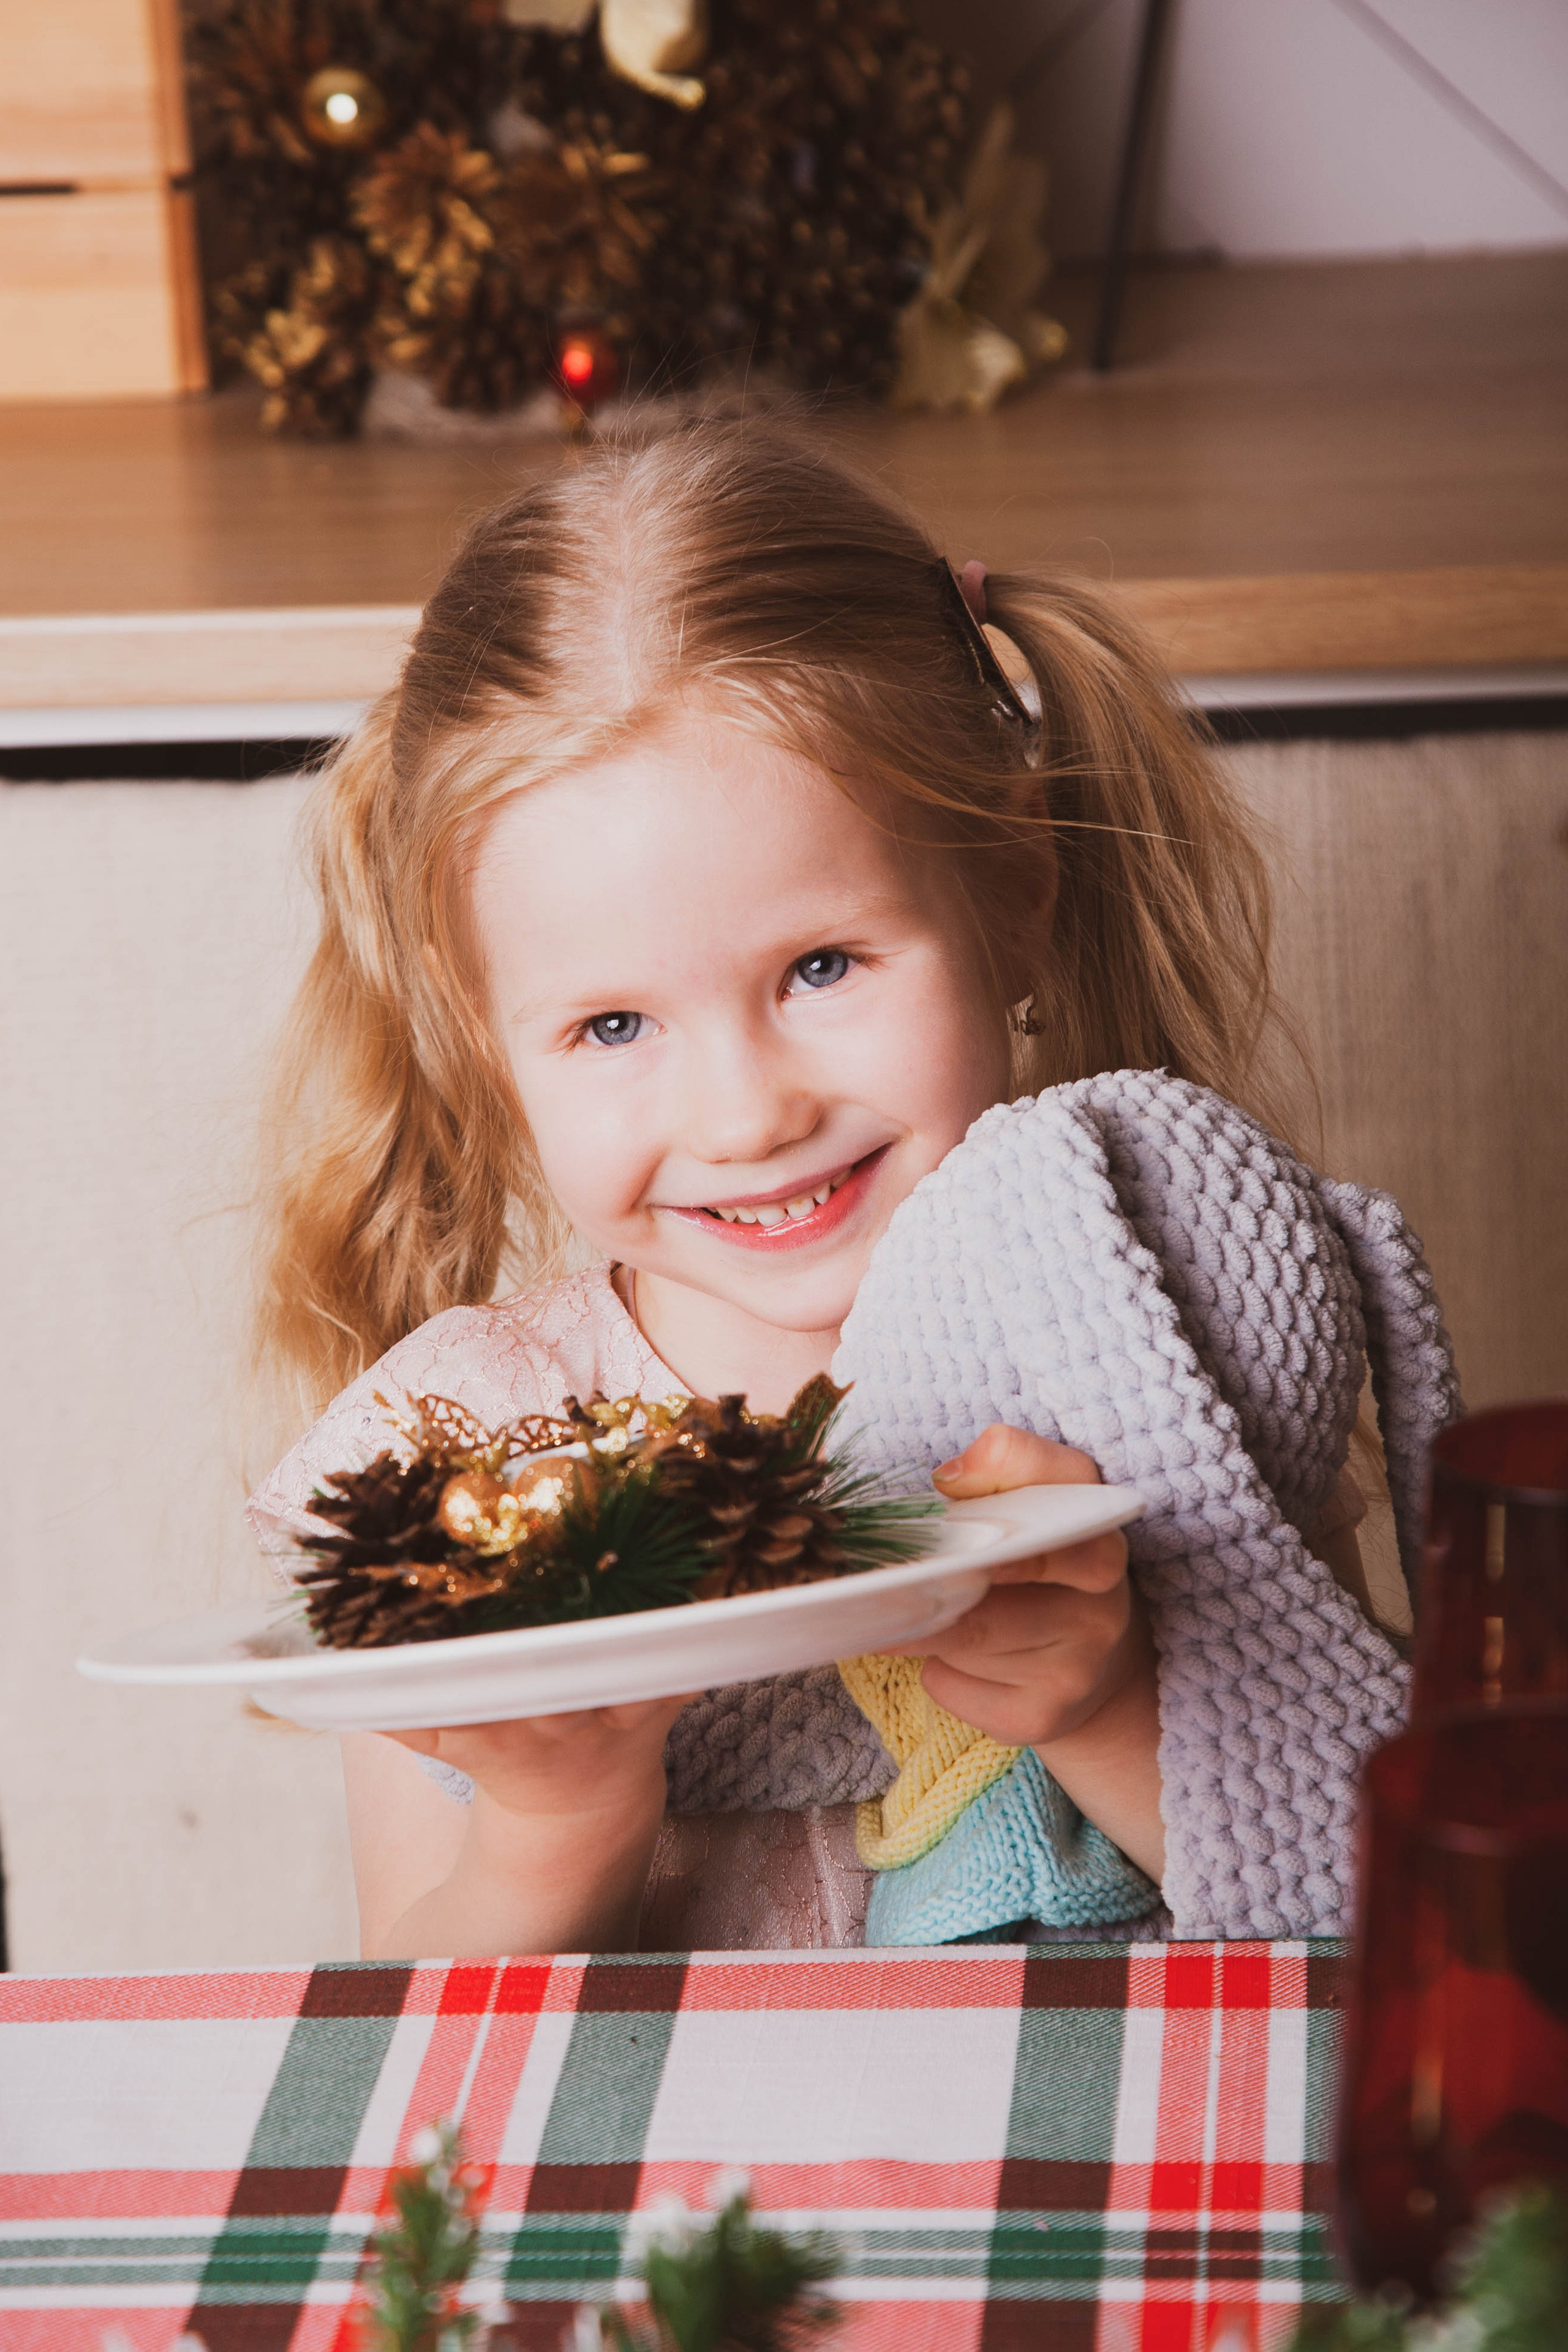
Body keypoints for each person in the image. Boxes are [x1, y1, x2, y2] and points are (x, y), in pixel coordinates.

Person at [249, 420, 1377, 1960]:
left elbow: (1381, 1925)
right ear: (483, 1039)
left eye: (822, 967)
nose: (745, 1111)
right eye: (613, 1026)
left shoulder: (1165, 1328)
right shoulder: (452, 1464)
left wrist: (1108, 1710)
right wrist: (554, 1820)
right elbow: (416, 2028)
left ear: (1015, 902)